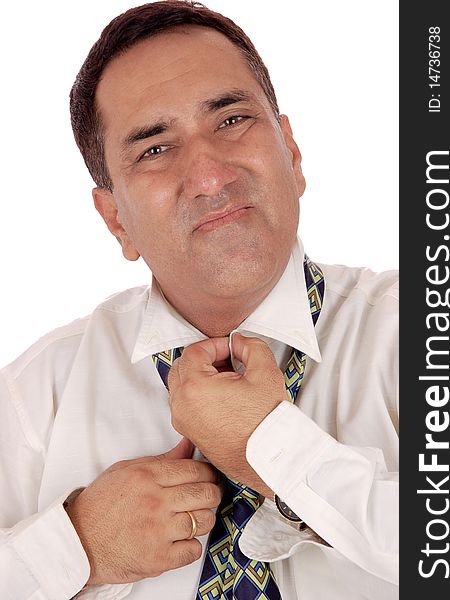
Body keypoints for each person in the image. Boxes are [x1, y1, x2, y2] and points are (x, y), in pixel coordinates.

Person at [0, 1, 398, 598]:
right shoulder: (37, 398)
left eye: (232, 119)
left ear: (290, 152)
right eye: (155, 149)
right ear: (116, 221)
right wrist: (75, 546)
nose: (210, 175)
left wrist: (274, 447)